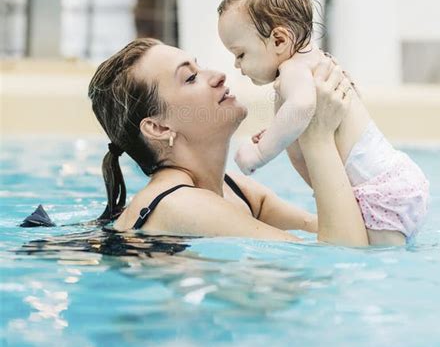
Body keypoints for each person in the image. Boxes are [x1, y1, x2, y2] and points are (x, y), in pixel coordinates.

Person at [217, 0, 429, 245]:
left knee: (373, 263)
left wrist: (259, 152)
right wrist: (275, 132)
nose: (236, 65)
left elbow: (302, 108)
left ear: (279, 39)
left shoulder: (293, 71)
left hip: (377, 192)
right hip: (391, 181)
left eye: (240, 54)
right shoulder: (316, 62)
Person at [88, 38, 370, 247]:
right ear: (159, 127)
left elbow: (353, 233)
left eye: (200, 66)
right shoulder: (179, 205)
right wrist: (317, 137)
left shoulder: (234, 189)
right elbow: (341, 256)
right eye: (191, 77)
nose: (218, 75)